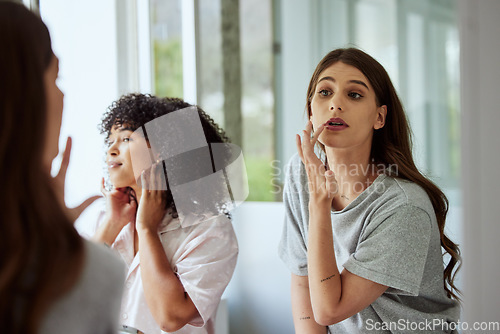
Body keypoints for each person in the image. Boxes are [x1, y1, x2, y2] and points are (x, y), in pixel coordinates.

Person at [278, 48, 461, 333]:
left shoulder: (404, 206)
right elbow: (303, 280)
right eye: (325, 92)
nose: (335, 104)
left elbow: (329, 310)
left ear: (380, 117)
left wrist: (318, 203)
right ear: (311, 109)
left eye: (354, 94)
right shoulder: (300, 171)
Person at [0, 2, 125, 334]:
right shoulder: (89, 273)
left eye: (126, 140)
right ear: (25, 98)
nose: (113, 149)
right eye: (56, 77)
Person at [80, 93, 238, 334]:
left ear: (165, 151)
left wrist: (147, 230)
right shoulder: (103, 219)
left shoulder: (210, 230)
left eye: (125, 139)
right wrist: (111, 226)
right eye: (110, 140)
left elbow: (170, 317)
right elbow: (69, 295)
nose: (112, 149)